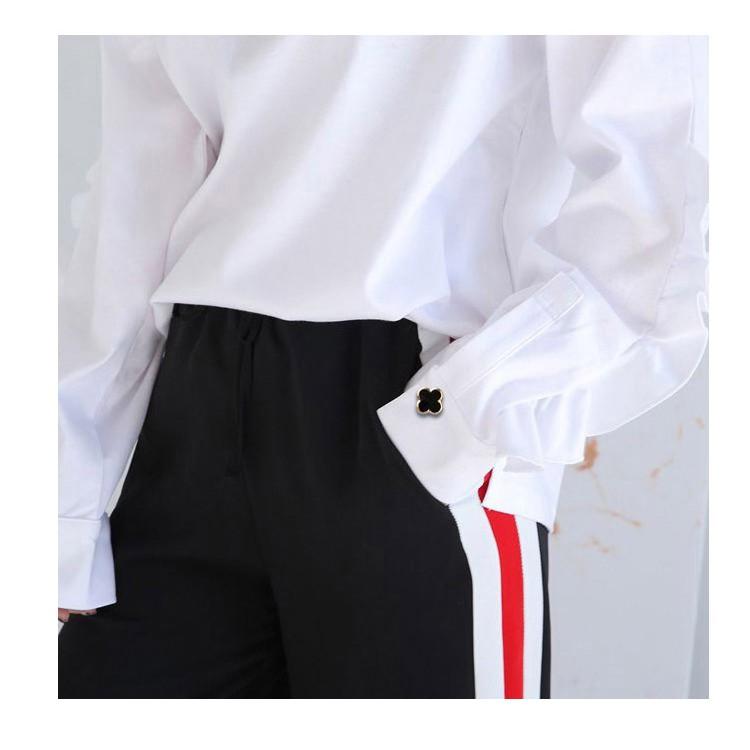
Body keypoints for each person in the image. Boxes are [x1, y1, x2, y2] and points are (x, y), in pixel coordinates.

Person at [58, 35, 708, 698]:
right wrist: (65, 493)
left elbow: (659, 190)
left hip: (412, 397)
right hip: (190, 407)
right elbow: (137, 185)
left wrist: (459, 411)